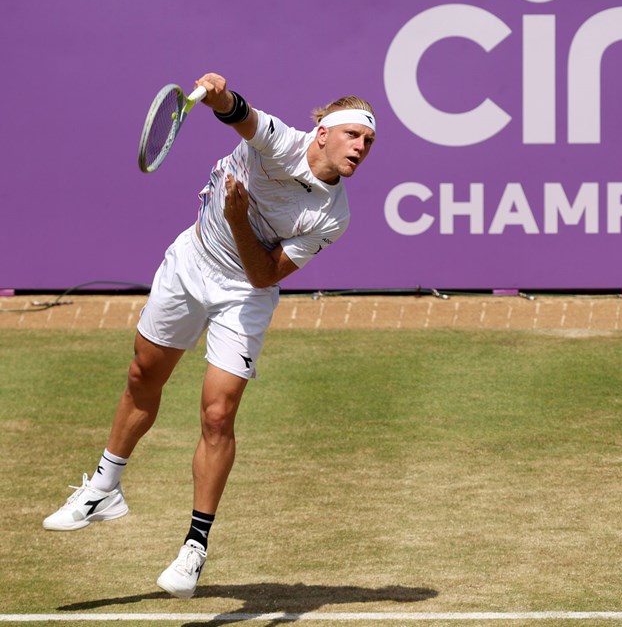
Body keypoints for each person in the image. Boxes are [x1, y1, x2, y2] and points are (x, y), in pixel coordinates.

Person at [43, 73, 377, 599]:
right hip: (190, 263)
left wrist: (239, 217)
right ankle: (104, 487)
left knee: (218, 414)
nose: (361, 147)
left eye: (368, 142)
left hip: (244, 294)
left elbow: (265, 275)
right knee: (142, 376)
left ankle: (194, 548)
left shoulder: (333, 216)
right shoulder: (278, 141)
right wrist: (218, 91)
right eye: (353, 135)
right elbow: (237, 110)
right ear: (321, 134)